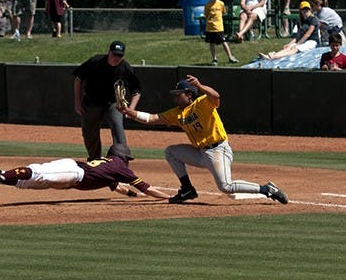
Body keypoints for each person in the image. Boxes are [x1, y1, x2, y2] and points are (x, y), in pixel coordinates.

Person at [119, 75, 289, 205]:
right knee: (171, 152)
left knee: (226, 187)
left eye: (179, 95)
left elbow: (216, 96)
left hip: (217, 150)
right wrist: (128, 111)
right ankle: (187, 189)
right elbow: (151, 118)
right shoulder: (177, 113)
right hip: (200, 152)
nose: (175, 98)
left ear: (189, 94)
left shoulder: (202, 103)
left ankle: (267, 189)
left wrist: (199, 86)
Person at [0, 143, 171, 202]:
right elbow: (147, 188)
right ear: (123, 157)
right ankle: (0, 173)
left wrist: (130, 195)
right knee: (40, 173)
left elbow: (117, 187)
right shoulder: (118, 166)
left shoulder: (109, 169)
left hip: (72, 179)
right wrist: (169, 197)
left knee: (31, 183)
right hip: (74, 171)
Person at [73, 41, 141, 161]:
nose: (116, 58)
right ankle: (94, 160)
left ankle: (121, 161)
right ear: (108, 52)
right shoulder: (96, 61)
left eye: (119, 56)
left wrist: (131, 109)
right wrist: (77, 103)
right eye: (114, 54)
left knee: (117, 127)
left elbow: (136, 91)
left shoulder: (125, 67)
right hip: (92, 101)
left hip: (113, 103)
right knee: (89, 133)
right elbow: (78, 78)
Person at [204, 0, 239, 65]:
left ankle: (230, 57)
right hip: (210, 28)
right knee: (212, 43)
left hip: (219, 27)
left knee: (224, 42)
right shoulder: (207, 5)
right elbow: (206, 15)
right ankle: (214, 59)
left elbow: (223, 12)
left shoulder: (221, 3)